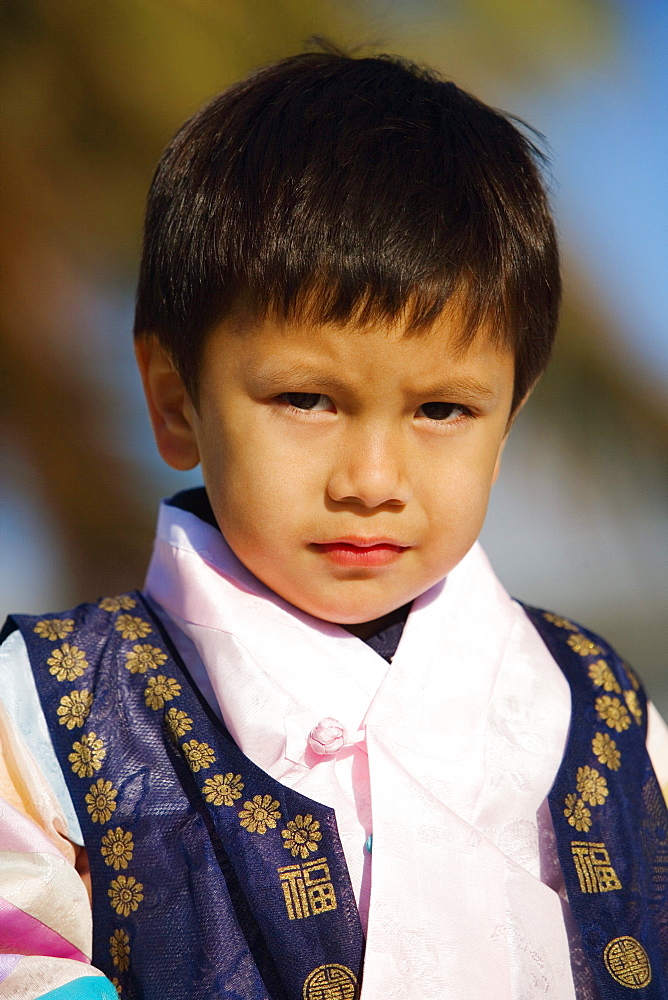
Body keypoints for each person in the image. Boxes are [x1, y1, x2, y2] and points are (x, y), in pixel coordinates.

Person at [1, 48, 666, 1000]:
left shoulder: (599, 710)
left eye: (443, 411)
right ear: (177, 403)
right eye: (308, 398)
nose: (372, 480)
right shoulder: (51, 712)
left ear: (509, 418)